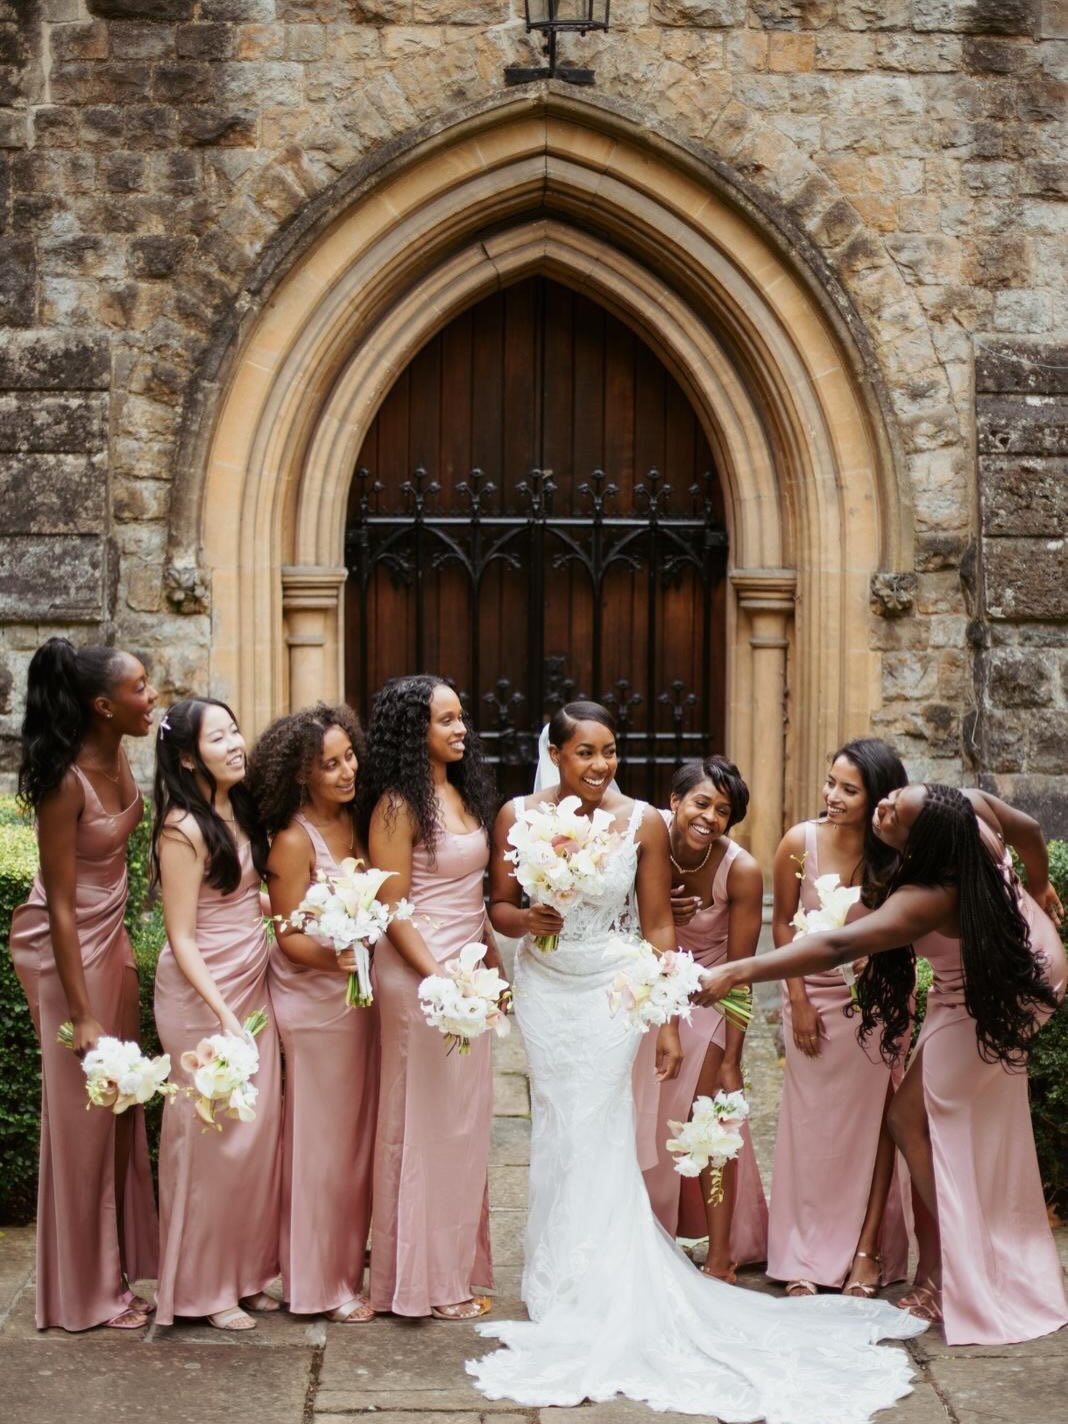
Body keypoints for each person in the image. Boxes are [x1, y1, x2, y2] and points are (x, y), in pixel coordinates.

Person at [467, 703, 925, 1422]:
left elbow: (655, 923)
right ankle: (555, 1277)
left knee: (602, 1124)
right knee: (556, 1125)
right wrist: (527, 920)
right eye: (586, 752)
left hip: (612, 990)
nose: (601, 766)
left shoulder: (642, 821)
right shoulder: (515, 814)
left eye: (611, 751)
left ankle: (603, 1280)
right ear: (556, 754)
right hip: (546, 987)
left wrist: (667, 1021)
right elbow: (497, 904)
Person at [699, 782, 1068, 1346]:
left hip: (1007, 990)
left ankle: (959, 1264)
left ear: (922, 847)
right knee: (922, 1117)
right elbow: (1032, 832)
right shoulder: (963, 806)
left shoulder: (930, 897)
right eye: (896, 794)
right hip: (991, 968)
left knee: (907, 1118)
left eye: (897, 813)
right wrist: (1038, 886)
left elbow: (836, 948)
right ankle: (967, 1251)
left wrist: (737, 972)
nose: (884, 805)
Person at [10, 638, 160, 1331]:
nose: (152, 694)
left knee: (118, 1114)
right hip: (68, 951)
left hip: (114, 943)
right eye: (140, 686)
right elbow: (62, 905)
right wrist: (82, 1013)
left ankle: (120, 1272)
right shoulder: (64, 780)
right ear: (103, 705)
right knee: (81, 1126)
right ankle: (85, 1296)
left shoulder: (123, 749)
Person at [357, 675, 501, 1320]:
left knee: (464, 1126)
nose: (461, 728)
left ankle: (453, 1267)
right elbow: (391, 907)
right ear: (415, 731)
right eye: (446, 720)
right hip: (419, 978)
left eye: (460, 716)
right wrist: (437, 977)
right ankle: (416, 1280)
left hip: (468, 974)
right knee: (421, 1127)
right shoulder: (396, 804)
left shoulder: (464, 792)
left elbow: (471, 896)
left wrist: (490, 963)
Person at [152, 697, 282, 1330]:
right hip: (204, 998)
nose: (235, 743)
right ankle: (201, 1288)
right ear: (185, 757)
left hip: (253, 985)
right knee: (207, 1141)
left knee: (254, 1138)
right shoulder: (182, 828)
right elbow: (182, 937)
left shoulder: (240, 809)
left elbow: (244, 902)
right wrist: (224, 1016)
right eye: (218, 737)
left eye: (236, 730)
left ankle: (248, 1273)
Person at [248, 704, 378, 1323]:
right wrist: (338, 961)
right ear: (303, 774)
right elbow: (286, 934)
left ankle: (344, 1267)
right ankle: (316, 1284)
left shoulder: (360, 819)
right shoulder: (293, 839)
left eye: (348, 756)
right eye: (329, 765)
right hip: (313, 1003)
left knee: (353, 1146)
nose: (346, 771)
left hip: (357, 1004)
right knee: (320, 1146)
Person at [768, 738, 911, 1299]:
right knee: (810, 1130)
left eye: (848, 789)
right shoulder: (797, 843)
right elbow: (781, 923)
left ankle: (867, 1250)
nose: (832, 796)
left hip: (878, 1007)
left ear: (878, 796)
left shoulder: (896, 855)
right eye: (831, 783)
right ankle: (802, 1250)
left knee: (876, 1125)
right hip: (814, 1003)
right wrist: (797, 998)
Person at [640, 756, 768, 1278]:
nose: (710, 817)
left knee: (713, 1123)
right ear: (674, 801)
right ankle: (645, 1234)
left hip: (707, 1003)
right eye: (701, 803)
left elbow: (740, 974)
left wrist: (734, 1058)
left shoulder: (741, 871)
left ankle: (720, 1254)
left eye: (724, 811)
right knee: (643, 1121)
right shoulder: (644, 837)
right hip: (647, 991)